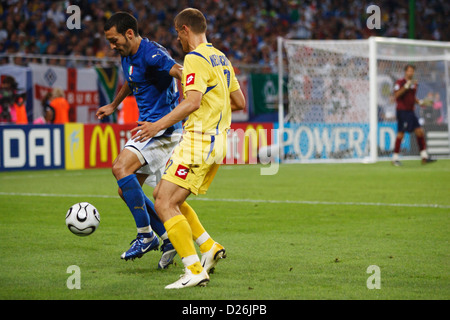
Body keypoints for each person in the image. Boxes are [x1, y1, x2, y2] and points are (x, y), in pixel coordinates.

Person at [130, 8, 245, 289]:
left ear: (184, 29)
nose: (177, 40)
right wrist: (211, 107)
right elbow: (239, 102)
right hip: (217, 142)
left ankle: (193, 269)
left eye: (177, 33)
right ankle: (209, 247)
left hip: (198, 141)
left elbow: (192, 101)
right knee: (165, 195)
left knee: (164, 203)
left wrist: (157, 125)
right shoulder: (220, 57)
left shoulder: (194, 58)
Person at [96, 12, 184, 269]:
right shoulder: (128, 55)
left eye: (114, 40)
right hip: (148, 130)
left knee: (120, 168)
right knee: (126, 189)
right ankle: (168, 238)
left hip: (161, 130)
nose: (112, 46)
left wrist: (194, 90)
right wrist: (114, 104)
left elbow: (177, 70)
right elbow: (132, 82)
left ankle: (145, 234)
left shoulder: (152, 54)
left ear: (130, 34)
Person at [392, 64, 436, 166]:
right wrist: (406, 86)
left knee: (420, 131)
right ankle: (395, 158)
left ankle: (424, 156)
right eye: (409, 71)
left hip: (411, 111)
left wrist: (420, 102)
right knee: (401, 133)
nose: (411, 72)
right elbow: (396, 95)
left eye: (412, 71)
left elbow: (412, 97)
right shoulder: (400, 82)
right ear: (405, 72)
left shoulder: (414, 83)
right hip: (402, 111)